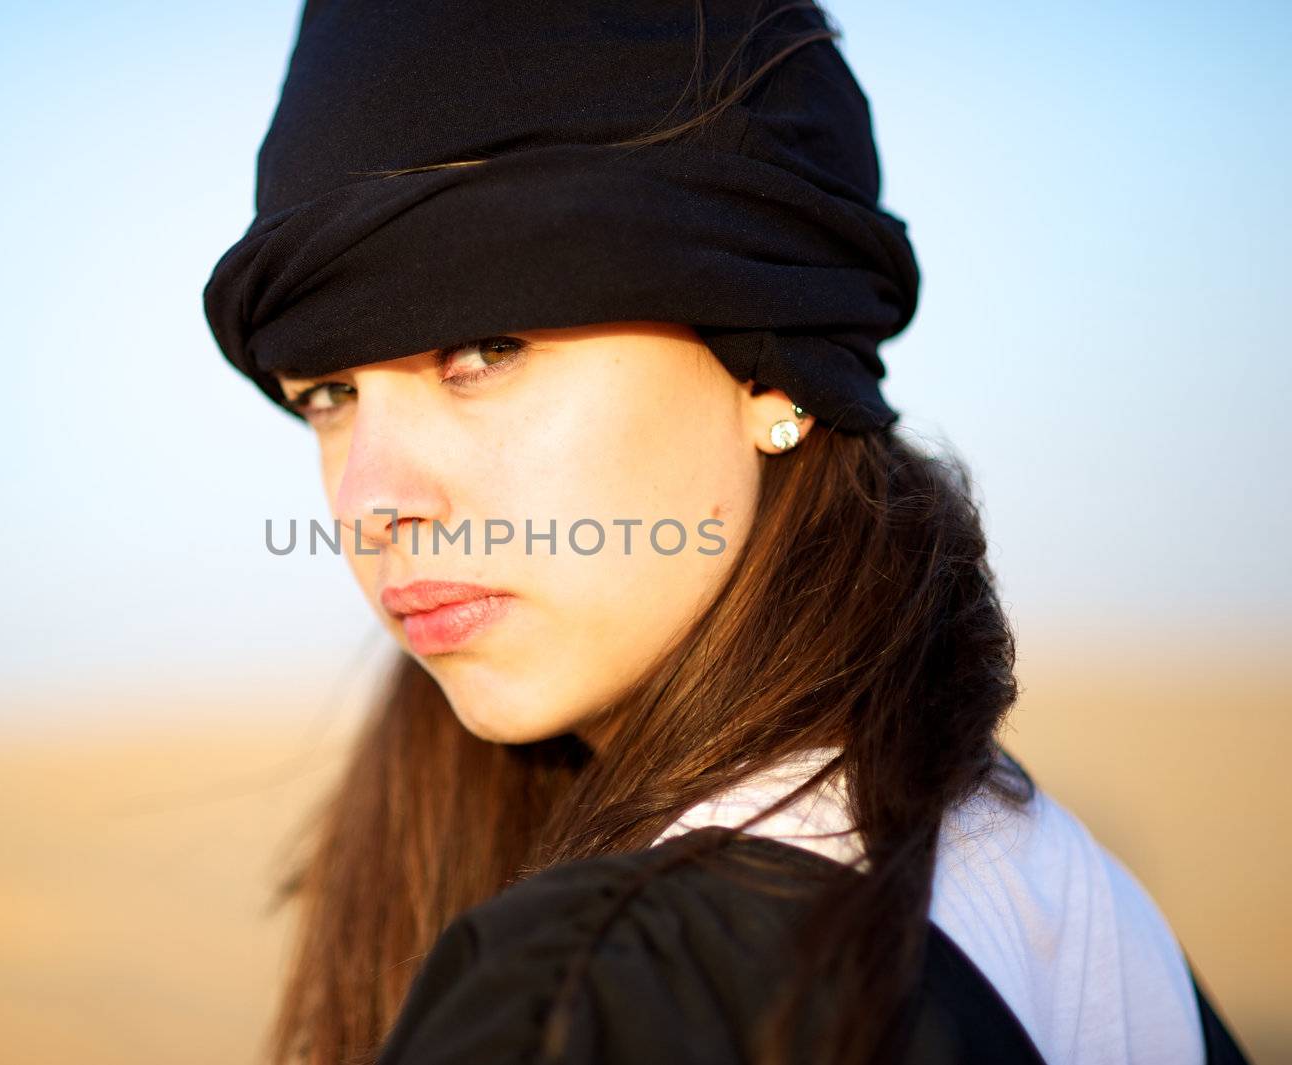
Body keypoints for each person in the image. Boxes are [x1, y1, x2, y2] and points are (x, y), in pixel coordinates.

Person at [200, 2, 1253, 1063]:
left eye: (482, 348)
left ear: (768, 365)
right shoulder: (1036, 878)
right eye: (328, 393)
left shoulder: (614, 1000)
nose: (374, 498)